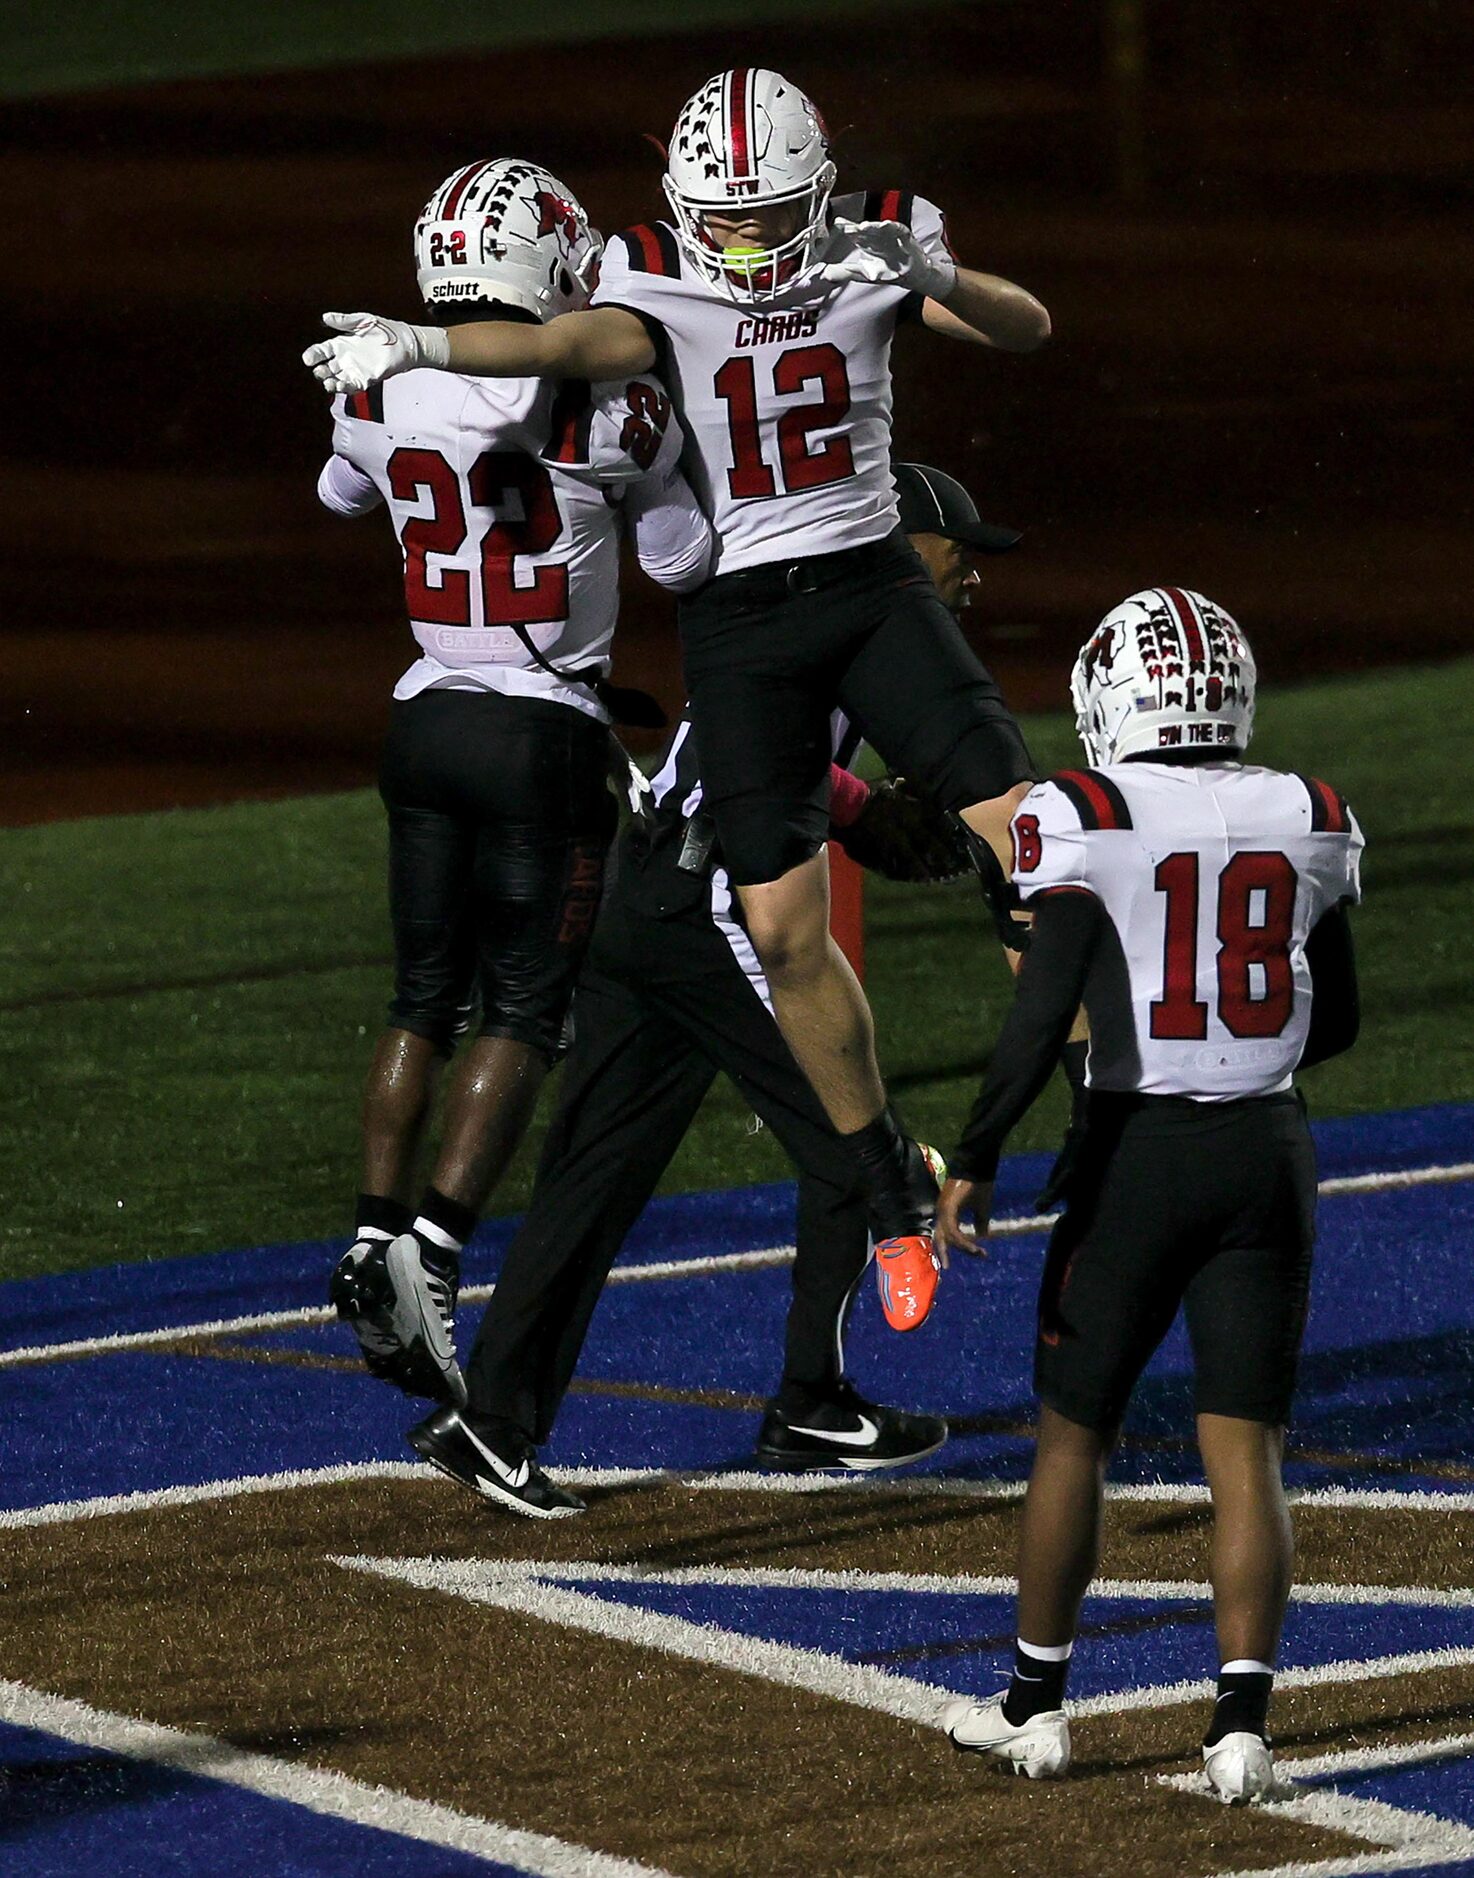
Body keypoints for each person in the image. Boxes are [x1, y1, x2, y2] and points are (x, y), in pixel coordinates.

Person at [302, 69, 1050, 1305]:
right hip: (743, 626)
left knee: (1028, 840)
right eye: (724, 217)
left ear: (816, 189)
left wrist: (930, 276)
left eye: (766, 215)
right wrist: (428, 341)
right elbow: (551, 343)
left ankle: (1101, 1112)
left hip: (868, 583)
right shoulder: (646, 270)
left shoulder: (880, 236)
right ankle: (888, 1186)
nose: (744, 242)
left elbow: (1026, 327)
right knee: (780, 931)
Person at [405, 464, 1023, 1517]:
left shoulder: (804, 608)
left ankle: (493, 1420)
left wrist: (855, 809)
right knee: (850, 1129)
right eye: (958, 550)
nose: (969, 576)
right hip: (706, 910)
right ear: (897, 539)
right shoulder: (854, 610)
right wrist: (877, 816)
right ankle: (811, 1402)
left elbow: (756, 761)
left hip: (644, 892)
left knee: (595, 1170)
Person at [931, 589, 1362, 1802]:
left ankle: (1036, 1707)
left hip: (1138, 1153)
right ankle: (1239, 1728)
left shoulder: (1082, 811)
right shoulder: (1309, 811)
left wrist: (975, 1153)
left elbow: (1038, 1006)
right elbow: (1336, 1015)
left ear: (1112, 695)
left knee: (1075, 1434)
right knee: (1246, 1447)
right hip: (1270, 1151)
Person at [320, 159, 712, 1405]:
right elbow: (686, 558)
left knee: (423, 992)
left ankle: (373, 1236)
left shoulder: (375, 391)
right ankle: (431, 1256)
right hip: (542, 734)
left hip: (426, 712)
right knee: (527, 1010)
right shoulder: (610, 412)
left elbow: (343, 490)